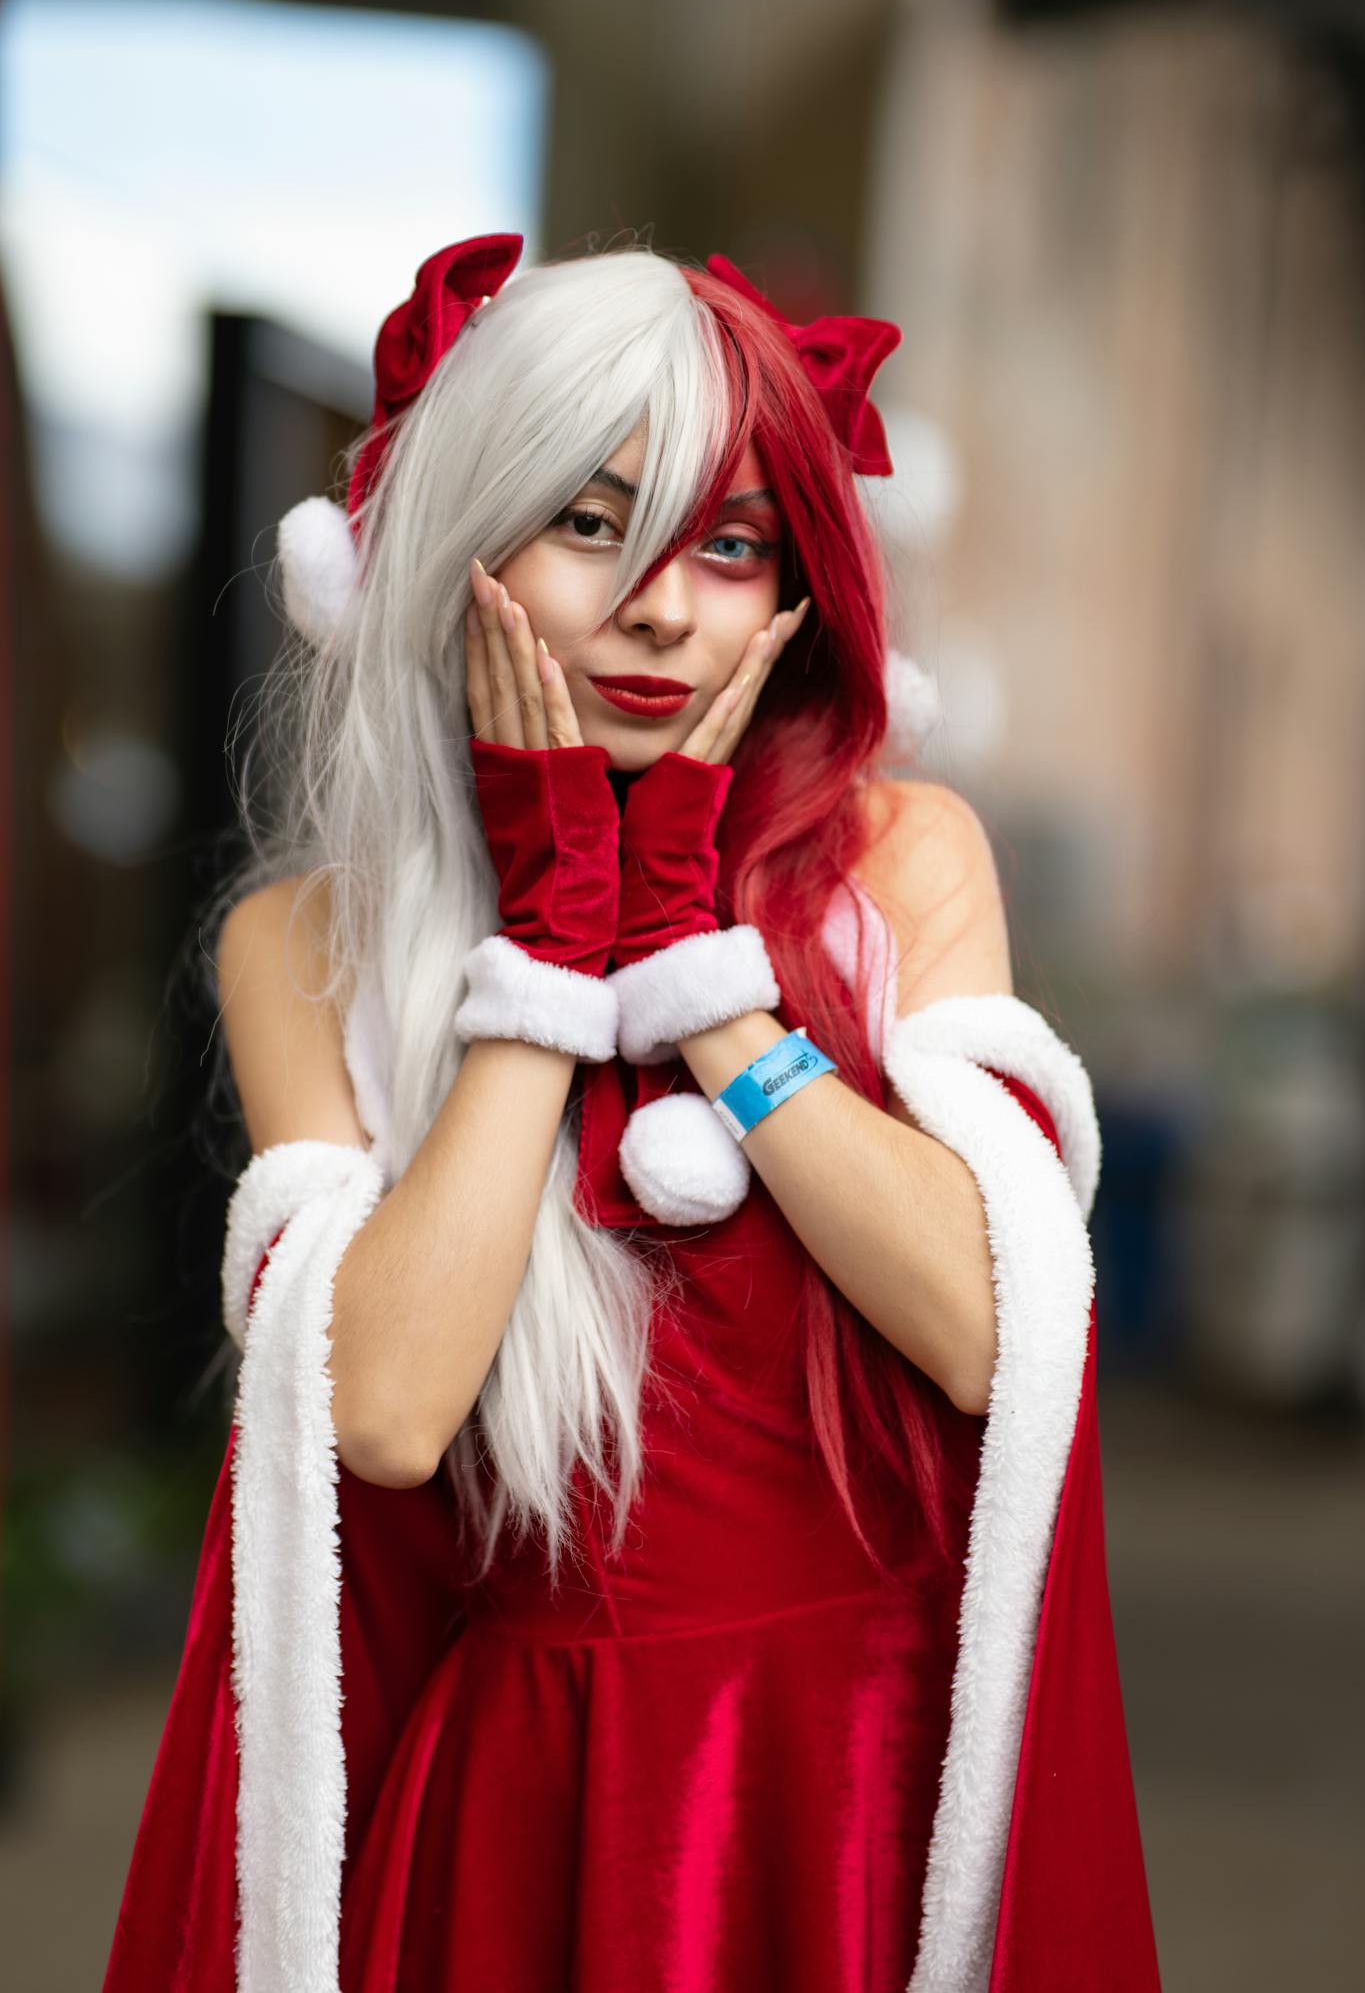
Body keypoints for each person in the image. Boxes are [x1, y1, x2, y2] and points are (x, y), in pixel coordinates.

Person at [102, 233, 1161, 1993]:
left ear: (791, 591)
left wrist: (695, 969)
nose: (665, 609)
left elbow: (996, 1336)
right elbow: (380, 1419)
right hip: (527, 1809)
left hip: (854, 1801)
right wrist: (548, 950)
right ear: (459, 544)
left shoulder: (903, 865)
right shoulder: (307, 942)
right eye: (591, 523)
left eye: (729, 545)